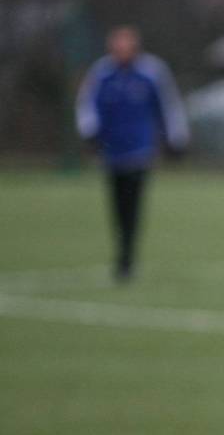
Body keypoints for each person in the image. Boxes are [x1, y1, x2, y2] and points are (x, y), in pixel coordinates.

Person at [76, 26, 189, 281]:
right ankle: (123, 253)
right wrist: (90, 133)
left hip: (140, 151)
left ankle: (127, 257)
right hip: (111, 152)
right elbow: (87, 105)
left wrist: (176, 139)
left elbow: (169, 106)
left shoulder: (152, 71)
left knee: (133, 205)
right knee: (117, 205)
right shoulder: (102, 73)